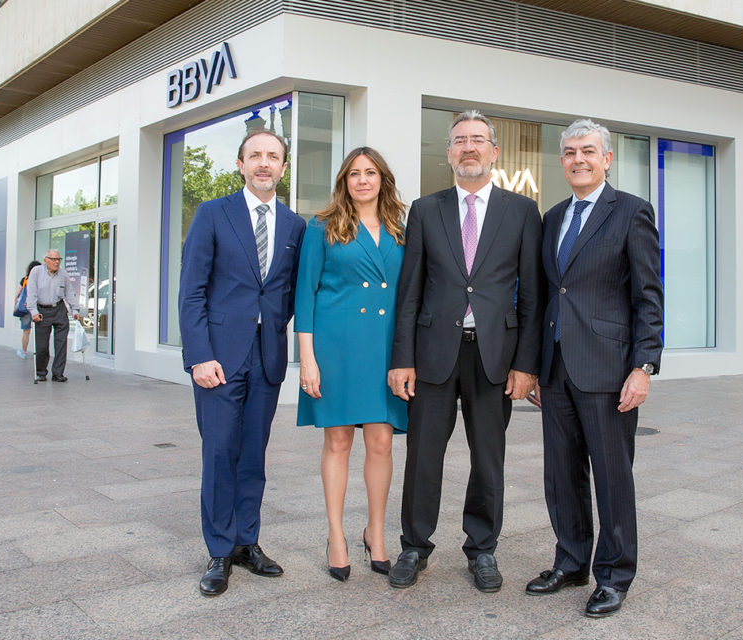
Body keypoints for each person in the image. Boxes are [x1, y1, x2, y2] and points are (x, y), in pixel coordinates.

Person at [387, 110, 544, 592]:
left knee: (488, 457)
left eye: (478, 140)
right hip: (434, 352)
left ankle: (482, 549)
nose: (469, 148)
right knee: (423, 455)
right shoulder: (425, 209)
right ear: (449, 153)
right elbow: (410, 291)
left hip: (494, 355)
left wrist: (526, 365)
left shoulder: (521, 211)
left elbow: (534, 296)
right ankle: (415, 546)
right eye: (460, 141)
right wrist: (402, 358)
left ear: (494, 152)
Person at [526, 119, 663, 618]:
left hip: (609, 368)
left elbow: (648, 295)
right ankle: (570, 562)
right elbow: (546, 295)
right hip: (557, 367)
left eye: (588, 151)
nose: (578, 159)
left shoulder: (631, 212)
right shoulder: (553, 215)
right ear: (561, 160)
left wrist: (643, 366)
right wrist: (535, 367)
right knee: (561, 475)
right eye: (569, 152)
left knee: (611, 476)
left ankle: (615, 575)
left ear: (607, 159)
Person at [178, 129, 306, 596]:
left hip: (267, 357)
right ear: (241, 164)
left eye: (273, 156)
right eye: (256, 156)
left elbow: (287, 293)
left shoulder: (295, 226)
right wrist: (199, 356)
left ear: (284, 167)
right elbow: (191, 290)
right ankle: (218, 550)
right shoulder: (213, 214)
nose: (265, 163)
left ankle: (246, 542)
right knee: (219, 453)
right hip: (218, 358)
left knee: (253, 455)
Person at [295, 147, 408, 581]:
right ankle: (336, 535)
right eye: (355, 174)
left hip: (383, 347)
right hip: (335, 345)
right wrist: (307, 359)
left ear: (383, 179)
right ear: (344, 180)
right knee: (338, 440)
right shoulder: (322, 226)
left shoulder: (402, 227)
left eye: (371, 172)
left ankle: (375, 533)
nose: (363, 180)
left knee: (381, 440)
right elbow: (305, 296)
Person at [26, 251, 82, 381]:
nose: (57, 262)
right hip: (42, 310)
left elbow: (69, 292)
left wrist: (75, 309)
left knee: (61, 343)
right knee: (42, 346)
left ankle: (58, 373)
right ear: (45, 260)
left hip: (59, 309)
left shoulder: (63, 274)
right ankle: (41, 372)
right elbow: (32, 292)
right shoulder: (36, 271)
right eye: (53, 259)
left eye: (59, 259)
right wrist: (33, 311)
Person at [14, 260, 41, 359]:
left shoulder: (25, 279)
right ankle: (39, 353)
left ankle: (24, 352)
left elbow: (17, 295)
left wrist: (16, 307)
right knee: (41, 331)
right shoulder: (40, 280)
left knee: (26, 331)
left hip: (25, 309)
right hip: (38, 308)